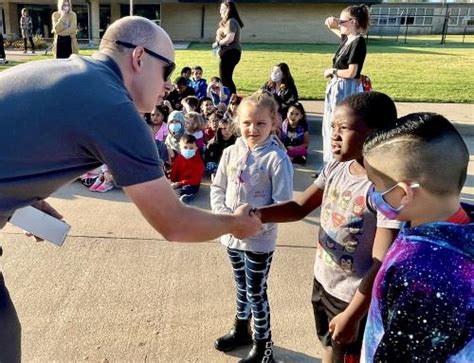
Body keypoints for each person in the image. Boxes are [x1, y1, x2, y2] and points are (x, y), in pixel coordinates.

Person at [0, 16, 261, 361]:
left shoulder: (68, 71)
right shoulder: (114, 107)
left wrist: (19, 200)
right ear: (139, 57)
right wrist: (235, 224)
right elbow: (174, 223)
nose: (168, 85)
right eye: (167, 70)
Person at [255, 92, 401, 363]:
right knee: (328, 344)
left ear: (377, 134)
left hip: (354, 297)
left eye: (343, 128)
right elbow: (299, 208)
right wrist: (254, 215)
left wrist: (354, 314)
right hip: (324, 281)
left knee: (344, 355)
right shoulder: (335, 167)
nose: (333, 135)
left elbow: (382, 263)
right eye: (333, 127)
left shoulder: (385, 189)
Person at [361, 113, 473, 362]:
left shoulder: (424, 278)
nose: (373, 193)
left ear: (403, 194)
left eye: (375, 185)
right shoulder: (451, 223)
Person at [211, 90, 293, 363]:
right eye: (246, 123)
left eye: (260, 123)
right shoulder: (231, 152)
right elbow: (218, 187)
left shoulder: (276, 159)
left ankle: (263, 346)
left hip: (259, 240)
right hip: (231, 237)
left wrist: (252, 226)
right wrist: (226, 220)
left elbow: (282, 204)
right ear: (238, 122)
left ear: (274, 123)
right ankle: (241, 329)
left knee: (257, 291)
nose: (252, 129)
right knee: (241, 286)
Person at [322, 4, 370, 167]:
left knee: (340, 126)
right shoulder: (348, 40)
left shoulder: (358, 42)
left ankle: (337, 163)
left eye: (343, 21)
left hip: (345, 88)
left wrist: (333, 71)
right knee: (330, 125)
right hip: (337, 88)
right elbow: (339, 31)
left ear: (354, 22)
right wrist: (335, 22)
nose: (340, 24)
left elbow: (352, 72)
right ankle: (329, 163)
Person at [212, 0, 243, 95]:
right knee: (226, 77)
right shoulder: (227, 22)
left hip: (231, 52)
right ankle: (230, 97)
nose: (220, 11)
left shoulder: (231, 22)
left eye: (222, 9)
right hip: (228, 53)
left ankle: (231, 98)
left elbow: (230, 38)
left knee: (225, 78)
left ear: (228, 10)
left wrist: (217, 43)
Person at [170, 134, 204, 204]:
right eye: (185, 147)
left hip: (191, 184)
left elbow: (195, 179)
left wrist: (179, 184)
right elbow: (174, 171)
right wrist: (172, 181)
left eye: (191, 148)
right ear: (180, 147)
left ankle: (186, 197)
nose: (188, 150)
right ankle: (180, 194)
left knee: (188, 188)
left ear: (196, 148)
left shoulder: (199, 162)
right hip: (179, 183)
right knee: (170, 188)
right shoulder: (179, 158)